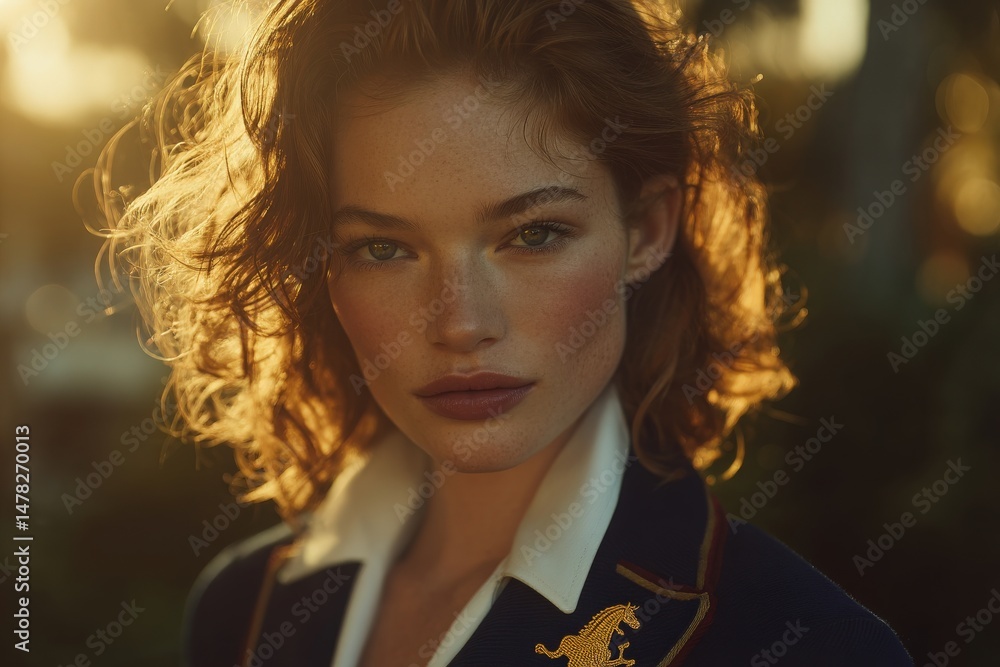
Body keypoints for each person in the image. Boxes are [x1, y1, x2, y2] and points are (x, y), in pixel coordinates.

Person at [84, 0, 913, 665]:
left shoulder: (809, 644)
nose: (461, 321)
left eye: (534, 234)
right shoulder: (238, 608)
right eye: (384, 248)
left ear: (649, 229)